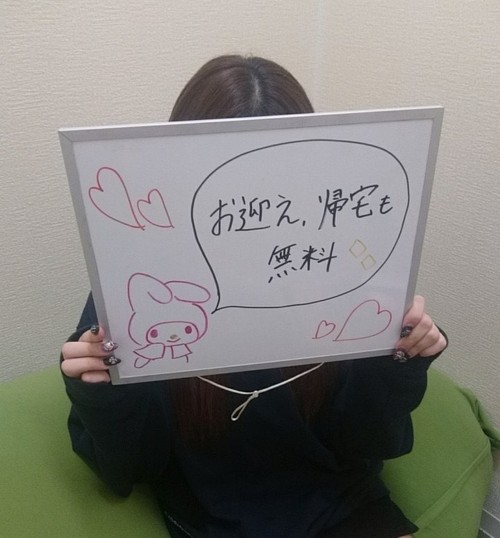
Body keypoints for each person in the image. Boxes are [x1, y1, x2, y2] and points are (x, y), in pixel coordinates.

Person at [61, 55, 448, 538]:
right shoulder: (145, 292)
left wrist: (400, 361)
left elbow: (365, 443)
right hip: (217, 520)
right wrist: (99, 391)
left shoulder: (341, 270)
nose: (254, 209)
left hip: (342, 503)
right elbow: (130, 469)